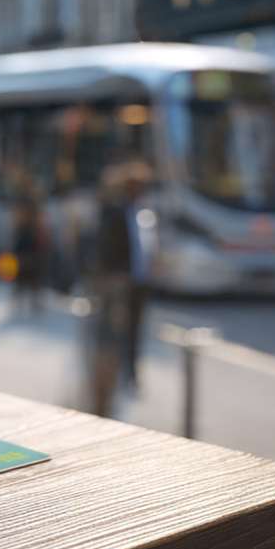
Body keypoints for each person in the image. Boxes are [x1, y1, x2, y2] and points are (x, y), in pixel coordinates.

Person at [94, 160, 153, 390]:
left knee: (136, 328)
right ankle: (113, 372)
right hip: (122, 280)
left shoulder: (144, 209)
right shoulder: (115, 208)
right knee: (117, 328)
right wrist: (118, 272)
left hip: (141, 278)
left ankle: (132, 372)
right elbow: (106, 244)